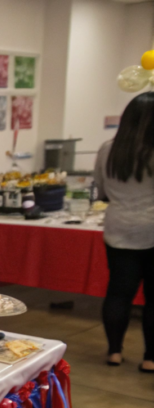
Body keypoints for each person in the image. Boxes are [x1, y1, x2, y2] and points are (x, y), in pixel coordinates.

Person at [94, 92, 154, 372]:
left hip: (119, 229)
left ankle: (114, 352)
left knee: (119, 293)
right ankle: (150, 358)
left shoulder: (108, 149)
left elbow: (101, 189)